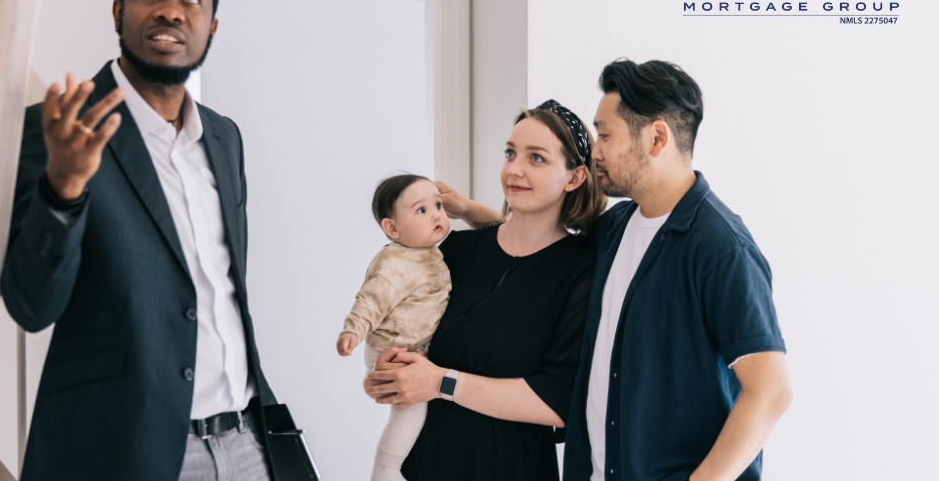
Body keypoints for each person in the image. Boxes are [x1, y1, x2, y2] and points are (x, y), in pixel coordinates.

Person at [440, 59, 793, 481]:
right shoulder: (615, 227)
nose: (595, 152)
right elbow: (538, 239)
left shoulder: (720, 247)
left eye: (605, 135)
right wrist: (470, 211)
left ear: (657, 138)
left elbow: (770, 392)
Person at [0, 0, 276, 481]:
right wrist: (63, 188)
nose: (171, 10)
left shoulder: (224, 136)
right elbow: (31, 306)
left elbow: (221, 291)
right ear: (117, 12)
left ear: (211, 28)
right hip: (124, 449)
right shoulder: (57, 128)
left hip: (247, 440)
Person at [363, 100, 607, 481]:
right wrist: (389, 373)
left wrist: (440, 382)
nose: (515, 169)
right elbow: (407, 333)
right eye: (510, 153)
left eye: (536, 158)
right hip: (425, 466)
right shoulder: (454, 252)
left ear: (574, 178)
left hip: (511, 467)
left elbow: (558, 401)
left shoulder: (582, 270)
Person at [336, 174, 453, 481]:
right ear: (392, 228)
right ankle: (385, 469)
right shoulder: (395, 263)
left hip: (413, 345)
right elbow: (371, 300)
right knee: (412, 408)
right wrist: (352, 331)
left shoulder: (429, 252)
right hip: (391, 349)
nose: (436, 215)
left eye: (438, 205)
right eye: (421, 210)